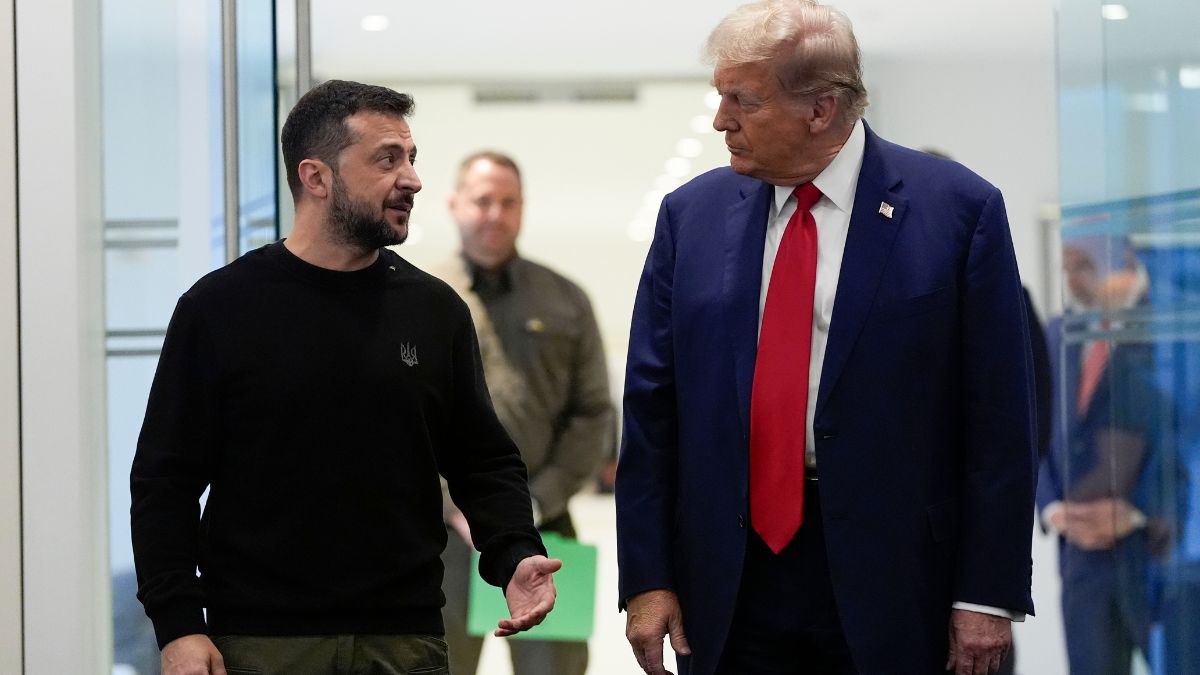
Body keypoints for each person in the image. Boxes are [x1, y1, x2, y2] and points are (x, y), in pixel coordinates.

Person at [615, 2, 1037, 674]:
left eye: (743, 100)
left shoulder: (957, 211)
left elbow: (1000, 420)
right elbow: (651, 409)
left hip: (898, 582)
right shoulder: (690, 217)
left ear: (821, 109)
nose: (722, 119)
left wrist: (987, 592)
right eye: (721, 96)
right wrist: (647, 577)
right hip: (729, 582)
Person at [130, 80, 561, 675]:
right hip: (259, 644)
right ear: (316, 177)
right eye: (387, 159)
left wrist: (514, 552)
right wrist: (178, 625)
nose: (412, 179)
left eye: (411, 158)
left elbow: (482, 460)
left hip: (404, 641)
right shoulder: (220, 309)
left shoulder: (435, 312)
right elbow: (165, 481)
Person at [433, 151, 615, 675]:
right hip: (439, 537)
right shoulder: (420, 298)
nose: (495, 213)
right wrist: (452, 504)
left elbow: (592, 413)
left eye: (508, 202)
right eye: (482, 200)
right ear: (454, 204)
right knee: (435, 666)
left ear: (522, 208)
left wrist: (534, 503)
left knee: (553, 668)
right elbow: (395, 420)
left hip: (545, 529)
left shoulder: (565, 300)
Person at [1037, 236, 1176, 675]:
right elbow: (1033, 428)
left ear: (1123, 261)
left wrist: (1138, 511)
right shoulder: (1058, 332)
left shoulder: (1176, 323)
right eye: (1066, 268)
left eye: (1082, 266)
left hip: (1160, 552)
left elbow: (1188, 436)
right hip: (1081, 561)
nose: (1071, 281)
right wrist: (1053, 508)